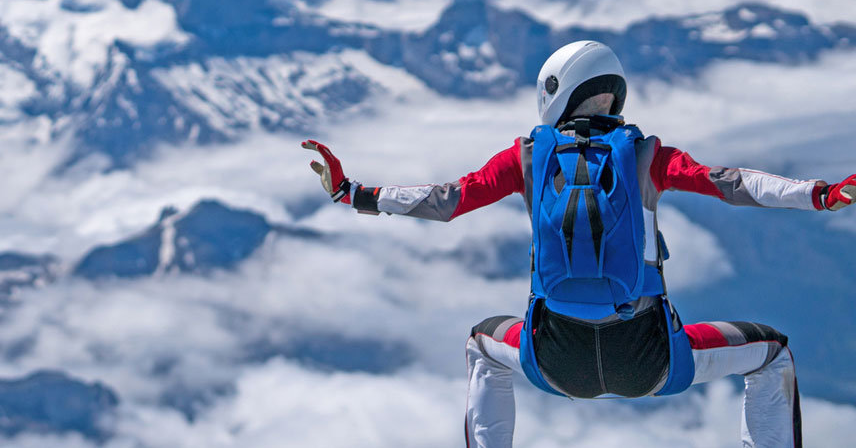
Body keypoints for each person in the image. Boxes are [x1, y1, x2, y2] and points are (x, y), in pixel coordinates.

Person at [301, 40, 854, 447]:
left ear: (554, 93)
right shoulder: (647, 155)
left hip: (551, 360)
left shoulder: (524, 156)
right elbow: (733, 184)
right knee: (772, 350)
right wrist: (822, 195)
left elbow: (446, 200)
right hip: (653, 361)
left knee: (482, 344)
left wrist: (354, 194)